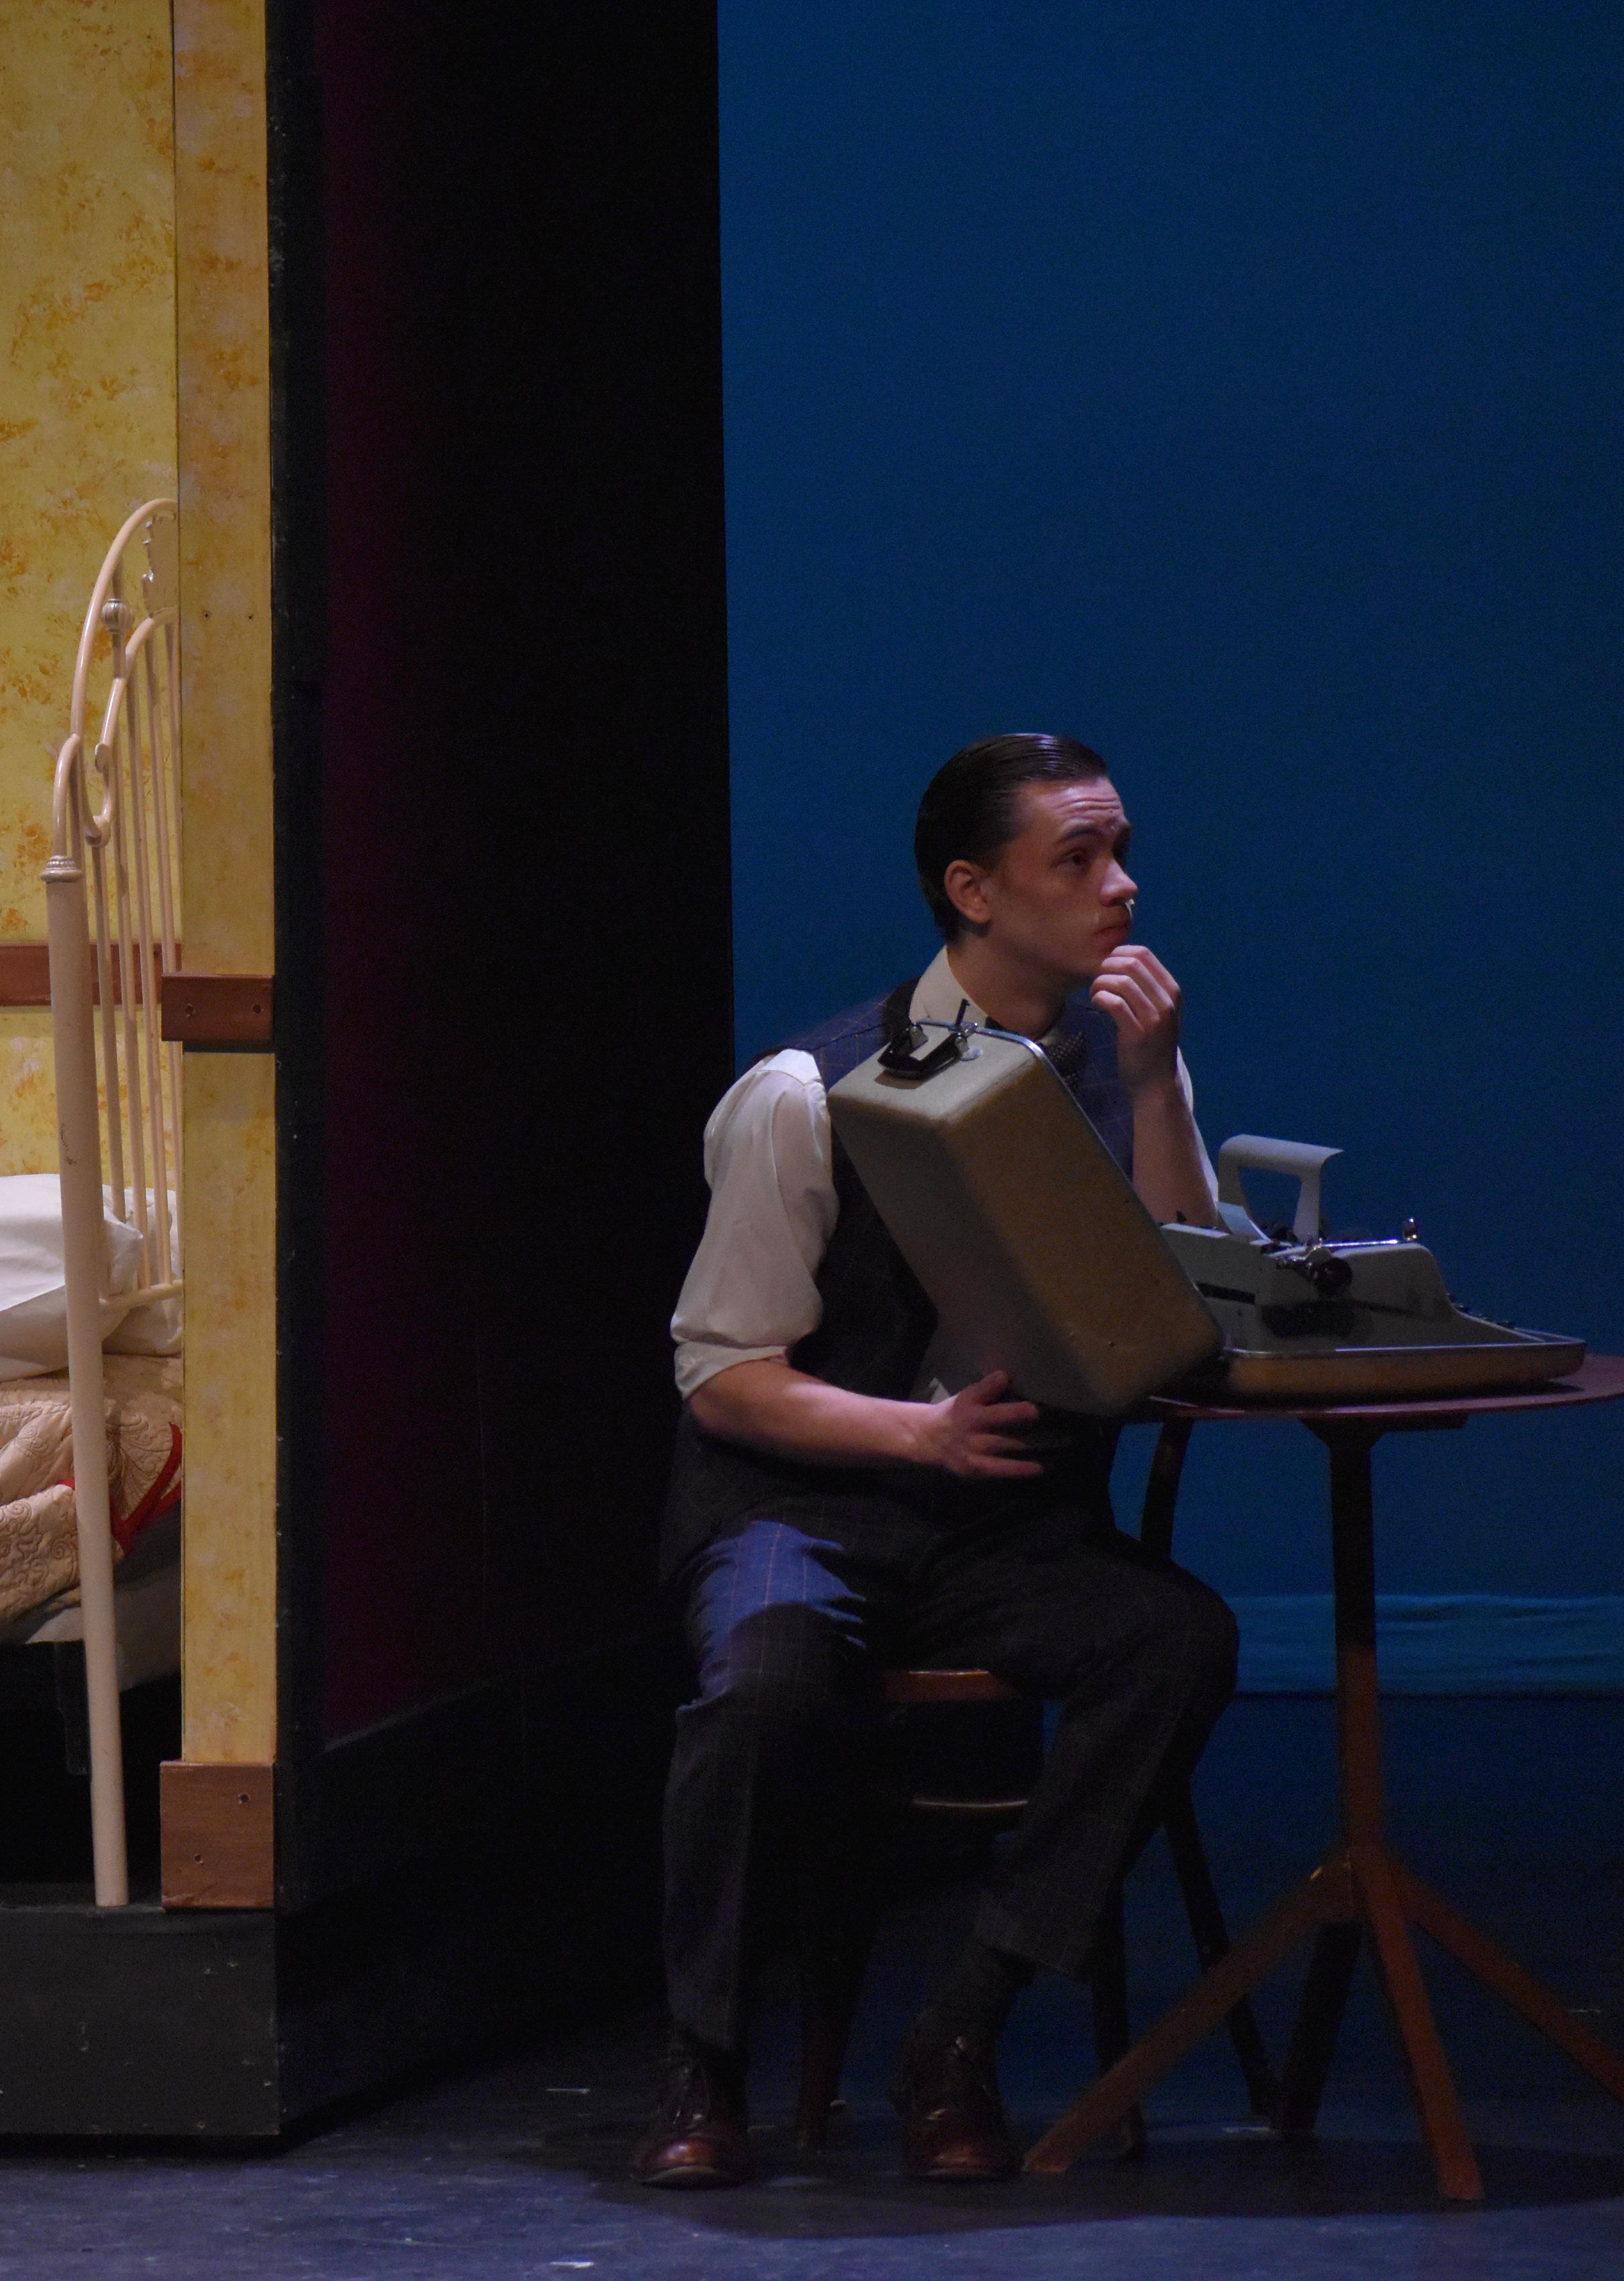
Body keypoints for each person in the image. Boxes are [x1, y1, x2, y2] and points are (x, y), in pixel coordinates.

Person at [635, 733, 1240, 2186]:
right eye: (1077, 858)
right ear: (972, 890)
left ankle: (959, 2026)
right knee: (764, 1686)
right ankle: (705, 2059)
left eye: (1121, 851)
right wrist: (921, 1432)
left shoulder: (1118, 1070)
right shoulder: (807, 1089)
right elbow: (724, 1375)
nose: (1121, 886)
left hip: (1004, 1535)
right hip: (807, 1507)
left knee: (1173, 1640)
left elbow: (1188, 1300)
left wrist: (1157, 1081)